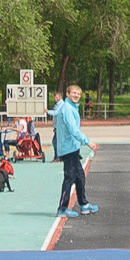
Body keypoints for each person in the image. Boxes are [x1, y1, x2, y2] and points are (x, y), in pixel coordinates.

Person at [51, 83, 98, 218]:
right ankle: (62, 208)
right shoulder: (66, 109)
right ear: (67, 94)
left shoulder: (72, 108)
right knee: (70, 177)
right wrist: (88, 142)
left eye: (78, 93)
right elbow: (73, 130)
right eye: (74, 93)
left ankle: (83, 204)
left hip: (73, 147)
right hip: (68, 149)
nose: (76, 95)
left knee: (80, 176)